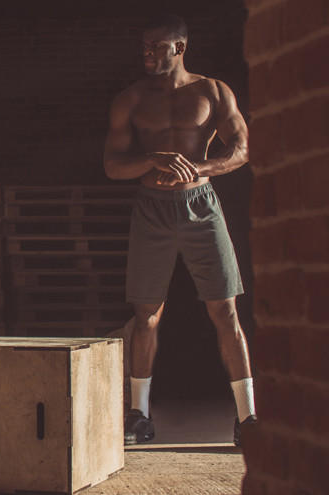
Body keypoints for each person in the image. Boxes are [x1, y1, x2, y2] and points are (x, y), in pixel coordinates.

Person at [103, 15, 256, 447]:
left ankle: (248, 419)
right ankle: (140, 416)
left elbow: (243, 148)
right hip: (151, 208)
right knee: (146, 315)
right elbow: (112, 166)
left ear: (180, 47)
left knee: (225, 311)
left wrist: (200, 169)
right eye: (144, 47)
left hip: (201, 206)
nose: (148, 54)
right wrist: (150, 161)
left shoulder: (212, 91)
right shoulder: (130, 99)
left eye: (156, 46)